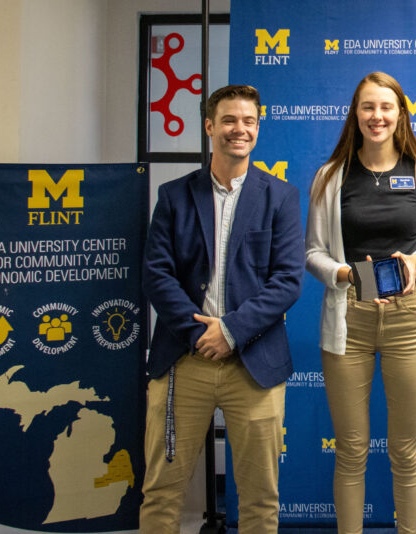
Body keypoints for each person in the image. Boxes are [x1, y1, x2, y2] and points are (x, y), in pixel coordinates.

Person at [140, 84, 305, 534]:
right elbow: (157, 275)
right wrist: (200, 335)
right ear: (210, 126)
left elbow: (288, 280)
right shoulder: (174, 196)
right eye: (229, 120)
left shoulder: (282, 197)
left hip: (255, 364)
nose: (240, 129)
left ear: (258, 128)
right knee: (161, 493)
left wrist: (230, 331)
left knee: (258, 501)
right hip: (185, 360)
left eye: (249, 121)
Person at [305, 71, 416, 534]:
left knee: (406, 450)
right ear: (356, 114)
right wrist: (343, 274)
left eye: (386, 107)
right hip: (350, 315)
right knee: (350, 449)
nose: (377, 116)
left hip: (411, 317)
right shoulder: (331, 177)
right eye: (368, 107)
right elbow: (312, 253)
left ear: (401, 114)